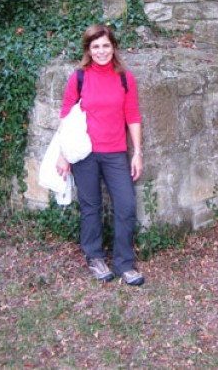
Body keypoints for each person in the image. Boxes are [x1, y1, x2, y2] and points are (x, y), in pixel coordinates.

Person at [56, 24, 144, 285]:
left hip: (116, 152)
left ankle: (124, 263)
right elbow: (66, 117)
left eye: (106, 45)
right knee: (91, 206)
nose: (101, 51)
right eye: (96, 46)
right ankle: (95, 257)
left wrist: (137, 153)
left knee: (126, 205)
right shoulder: (79, 78)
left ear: (114, 47)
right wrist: (63, 154)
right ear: (88, 50)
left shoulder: (125, 78)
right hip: (85, 154)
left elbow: (133, 116)